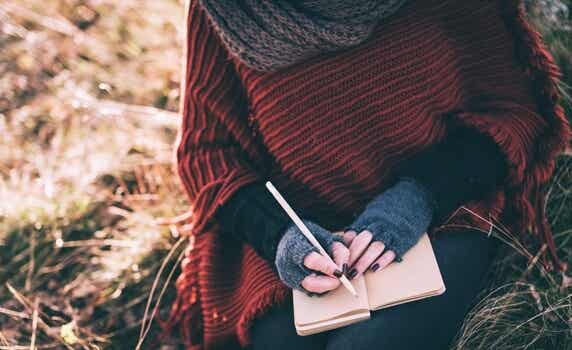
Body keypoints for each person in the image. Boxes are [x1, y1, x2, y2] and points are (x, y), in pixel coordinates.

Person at [164, 0, 571, 349]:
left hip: (442, 215)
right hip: (298, 237)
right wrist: (282, 236)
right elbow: (206, 152)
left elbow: (513, 110)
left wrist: (416, 198)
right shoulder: (224, 12)